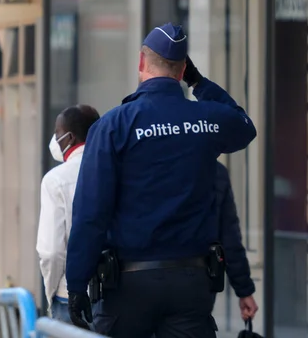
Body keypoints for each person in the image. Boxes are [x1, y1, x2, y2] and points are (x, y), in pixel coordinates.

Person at [65, 22, 257, 337]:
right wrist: (200, 83)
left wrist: (76, 282)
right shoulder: (205, 119)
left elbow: (91, 212)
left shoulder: (115, 125)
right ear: (183, 71)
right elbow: (244, 125)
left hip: (128, 286)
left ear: (141, 63)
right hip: (191, 284)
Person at [36, 105, 101, 324]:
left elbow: (52, 252)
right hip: (114, 293)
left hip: (68, 297)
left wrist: (51, 292)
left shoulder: (56, 180)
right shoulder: (115, 170)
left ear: (69, 137)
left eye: (57, 134)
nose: (55, 140)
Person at [214, 162, 259, 322]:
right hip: (193, 277)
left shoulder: (138, 160)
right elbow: (229, 238)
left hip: (141, 274)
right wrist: (244, 290)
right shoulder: (214, 170)